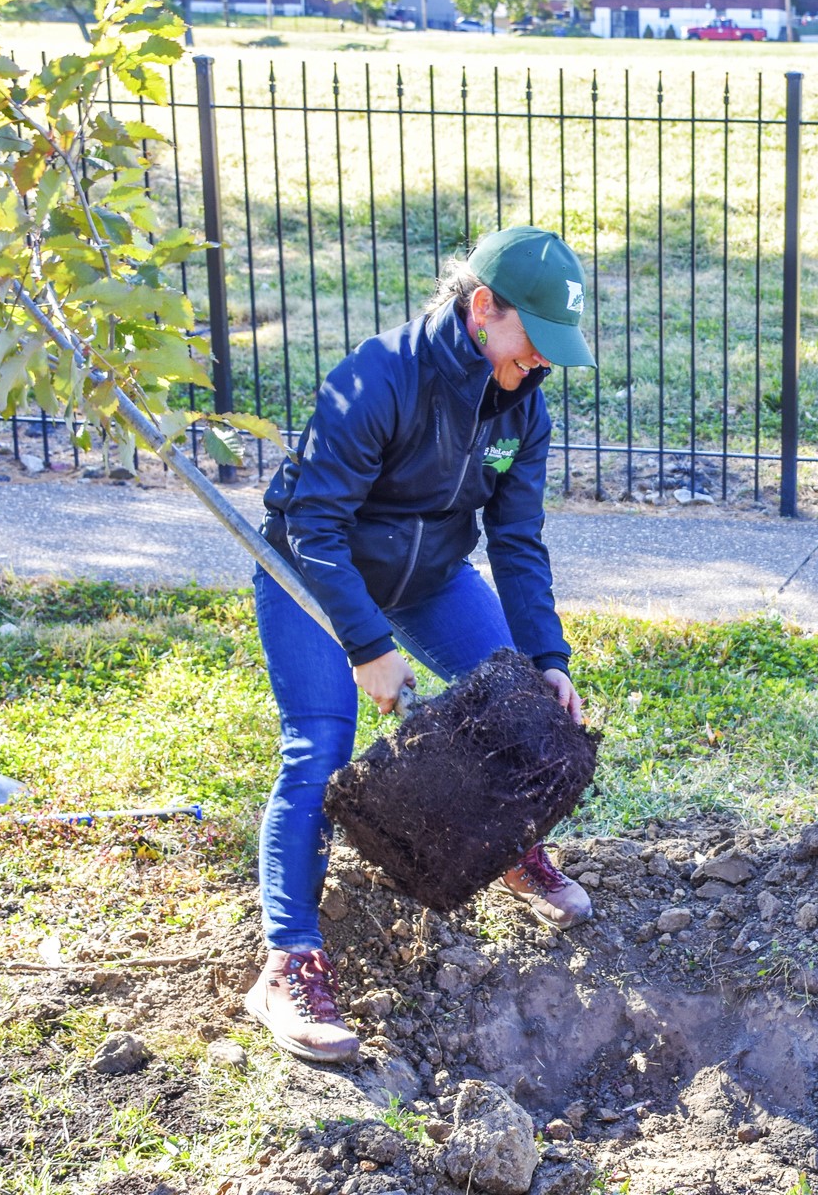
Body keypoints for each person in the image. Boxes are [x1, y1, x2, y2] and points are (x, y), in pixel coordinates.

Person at [246, 226, 596, 1065]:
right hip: (313, 578)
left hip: (431, 576)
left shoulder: (523, 402)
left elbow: (516, 539)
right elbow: (316, 525)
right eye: (533, 342)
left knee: (519, 705)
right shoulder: (377, 378)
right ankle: (287, 960)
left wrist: (547, 657)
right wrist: (366, 643)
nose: (541, 362)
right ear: (483, 309)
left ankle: (512, 853)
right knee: (320, 749)